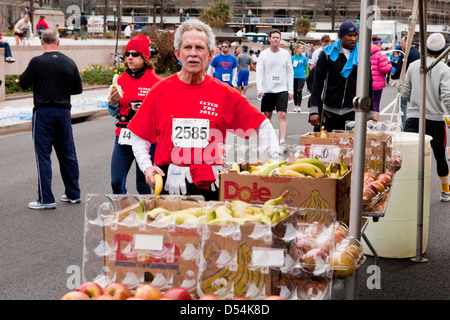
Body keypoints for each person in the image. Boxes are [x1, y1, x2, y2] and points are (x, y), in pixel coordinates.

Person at [128, 20, 280, 200]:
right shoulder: (159, 91)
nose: (193, 54)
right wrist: (146, 166)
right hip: (171, 182)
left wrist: (276, 166)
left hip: (212, 184)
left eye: (199, 48)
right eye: (187, 47)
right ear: (178, 54)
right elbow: (139, 135)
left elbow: (262, 125)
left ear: (210, 55)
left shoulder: (225, 93)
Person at [19, 28, 83, 210]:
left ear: (41, 41)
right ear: (58, 41)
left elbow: (23, 83)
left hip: (43, 112)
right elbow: (78, 89)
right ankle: (73, 194)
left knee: (43, 156)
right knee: (68, 154)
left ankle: (46, 198)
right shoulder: (69, 62)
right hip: (63, 112)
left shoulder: (37, 62)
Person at [107, 35, 162, 195]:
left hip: (147, 139)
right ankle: (124, 213)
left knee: (144, 184)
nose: (130, 57)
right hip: (123, 136)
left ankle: (145, 217)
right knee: (116, 182)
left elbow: (164, 113)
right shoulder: (120, 80)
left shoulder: (155, 81)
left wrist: (144, 110)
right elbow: (112, 112)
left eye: (135, 54)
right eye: (127, 54)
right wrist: (113, 103)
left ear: (144, 57)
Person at [403, 33, 450, 202]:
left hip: (413, 119)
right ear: (443, 51)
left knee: (409, 157)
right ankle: (445, 191)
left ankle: (407, 190)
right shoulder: (444, 69)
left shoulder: (413, 66)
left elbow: (405, 92)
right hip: (436, 120)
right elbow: (447, 96)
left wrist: (415, 102)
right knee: (439, 155)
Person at [309, 21, 375, 132]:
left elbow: (368, 83)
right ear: (341, 36)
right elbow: (317, 83)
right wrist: (314, 110)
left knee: (349, 147)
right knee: (327, 147)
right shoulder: (327, 54)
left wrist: (371, 110)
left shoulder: (363, 55)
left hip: (352, 111)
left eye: (355, 35)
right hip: (329, 111)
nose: (353, 38)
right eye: (349, 35)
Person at [256, 29, 294, 145]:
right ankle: (269, 139)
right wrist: (259, 88)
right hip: (268, 89)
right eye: (273, 37)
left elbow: (289, 72)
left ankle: (282, 140)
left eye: (278, 37)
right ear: (269, 39)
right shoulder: (264, 54)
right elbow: (259, 72)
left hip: (281, 89)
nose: (276, 39)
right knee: (267, 115)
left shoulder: (285, 54)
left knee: (282, 114)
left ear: (280, 39)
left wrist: (290, 89)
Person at [391, 36, 420, 128]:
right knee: (417, 106)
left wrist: (394, 76)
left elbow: (400, 69)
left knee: (402, 105)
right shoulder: (417, 53)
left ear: (407, 43)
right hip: (417, 83)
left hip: (406, 82)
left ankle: (402, 126)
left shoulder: (405, 54)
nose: (400, 44)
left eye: (402, 42)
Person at [370, 36, 392, 121]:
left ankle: (364, 126)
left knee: (365, 105)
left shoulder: (364, 51)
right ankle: (374, 127)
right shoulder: (380, 54)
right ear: (379, 43)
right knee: (375, 105)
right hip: (378, 84)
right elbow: (384, 69)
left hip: (366, 83)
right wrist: (390, 65)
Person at [291, 43, 309, 112]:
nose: (301, 50)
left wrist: (307, 74)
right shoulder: (292, 58)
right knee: (295, 91)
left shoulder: (304, 58)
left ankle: (299, 106)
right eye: (300, 48)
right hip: (294, 76)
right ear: (296, 49)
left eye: (302, 49)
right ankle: (295, 105)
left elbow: (306, 67)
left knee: (299, 90)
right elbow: (290, 68)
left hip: (301, 76)